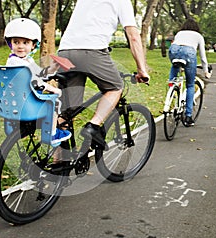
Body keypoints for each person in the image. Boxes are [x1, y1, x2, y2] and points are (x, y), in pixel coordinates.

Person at [57, 0, 149, 148]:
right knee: (115, 87)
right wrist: (142, 69)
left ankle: (59, 163)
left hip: (65, 51)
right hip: (91, 50)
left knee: (68, 112)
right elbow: (133, 36)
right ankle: (93, 126)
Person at [4, 18, 71, 145]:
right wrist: (53, 89)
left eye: (25, 42)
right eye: (16, 42)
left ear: (33, 45)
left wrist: (52, 68)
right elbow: (34, 82)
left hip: (17, 101)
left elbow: (39, 74)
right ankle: (52, 134)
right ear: (10, 43)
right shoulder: (16, 63)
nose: (20, 46)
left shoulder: (26, 60)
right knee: (54, 102)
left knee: (49, 100)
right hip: (26, 102)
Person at [168, 18, 211, 127]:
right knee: (190, 85)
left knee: (174, 69)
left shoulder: (179, 33)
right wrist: (206, 71)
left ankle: (171, 89)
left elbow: (176, 48)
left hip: (173, 50)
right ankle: (188, 116)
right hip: (188, 54)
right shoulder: (198, 36)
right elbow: (202, 56)